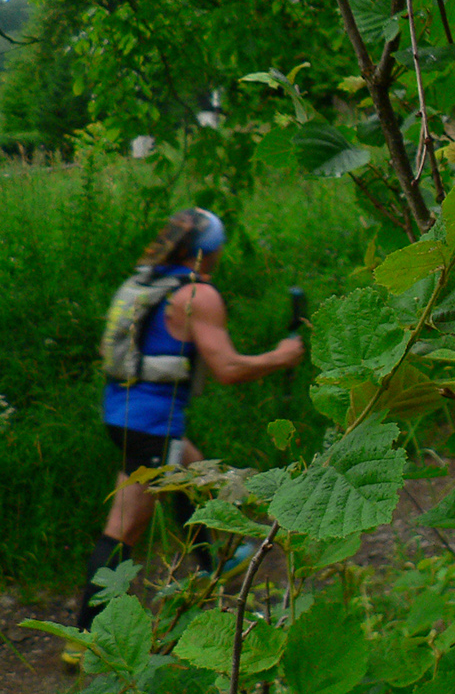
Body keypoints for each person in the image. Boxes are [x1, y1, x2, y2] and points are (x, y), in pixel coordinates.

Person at [65, 208, 304, 665]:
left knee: (194, 471)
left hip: (123, 414)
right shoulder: (197, 294)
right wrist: (281, 356)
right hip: (151, 426)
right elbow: (227, 368)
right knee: (124, 527)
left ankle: (217, 564)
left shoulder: (149, 281)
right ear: (210, 251)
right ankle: (85, 641)